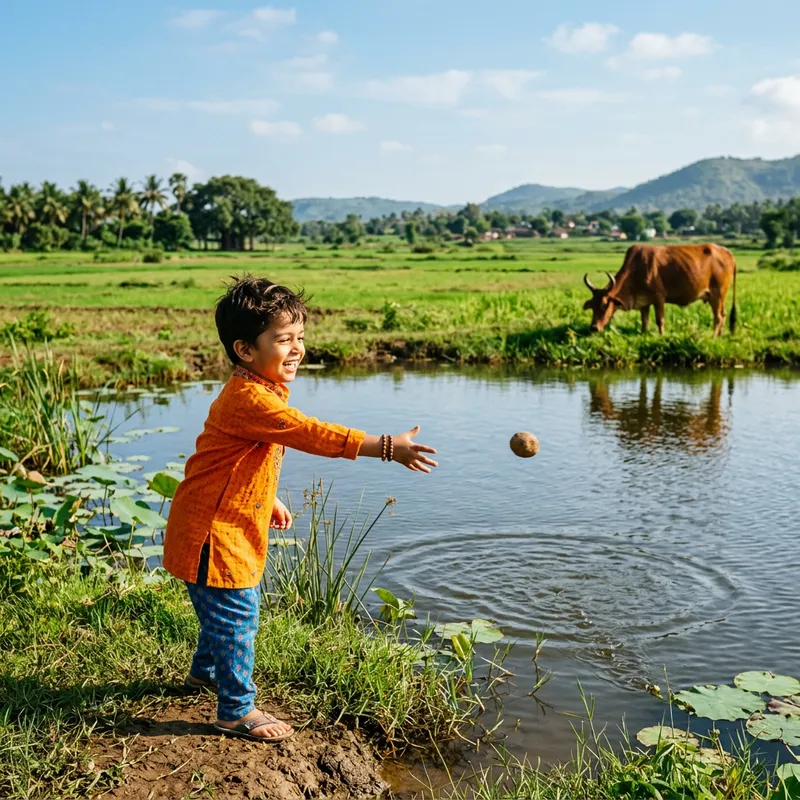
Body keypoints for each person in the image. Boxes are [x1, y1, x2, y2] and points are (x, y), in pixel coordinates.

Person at [162, 275, 438, 743]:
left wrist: (266, 495)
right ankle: (234, 710)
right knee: (237, 613)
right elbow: (312, 434)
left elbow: (228, 455)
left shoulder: (256, 392)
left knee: (224, 610)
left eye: (300, 338)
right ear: (245, 350)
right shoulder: (251, 398)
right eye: (282, 339)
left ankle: (204, 674)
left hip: (216, 519)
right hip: (213, 532)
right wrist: (388, 446)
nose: (296, 349)